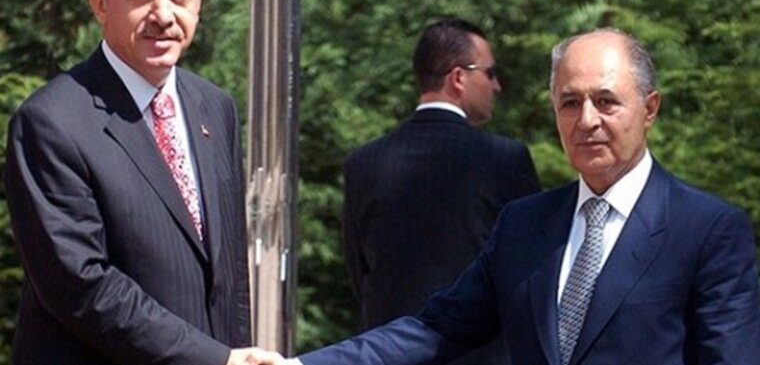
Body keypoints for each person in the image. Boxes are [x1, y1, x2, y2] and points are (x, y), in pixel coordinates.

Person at [261, 28, 760, 364]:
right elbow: (435, 330)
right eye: (570, 102)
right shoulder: (525, 224)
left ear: (650, 108)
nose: (587, 120)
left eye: (606, 101)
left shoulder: (707, 230)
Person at [4, 0, 269, 364]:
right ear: (100, 3)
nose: (164, 14)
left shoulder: (215, 107)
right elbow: (81, 286)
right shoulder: (51, 122)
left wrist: (235, 355)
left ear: (200, 1)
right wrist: (211, 359)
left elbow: (229, 271)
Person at [341, 18, 541, 365]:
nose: (496, 86)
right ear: (458, 77)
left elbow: (360, 274)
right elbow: (530, 271)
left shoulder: (364, 163)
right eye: (490, 73)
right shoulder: (505, 160)